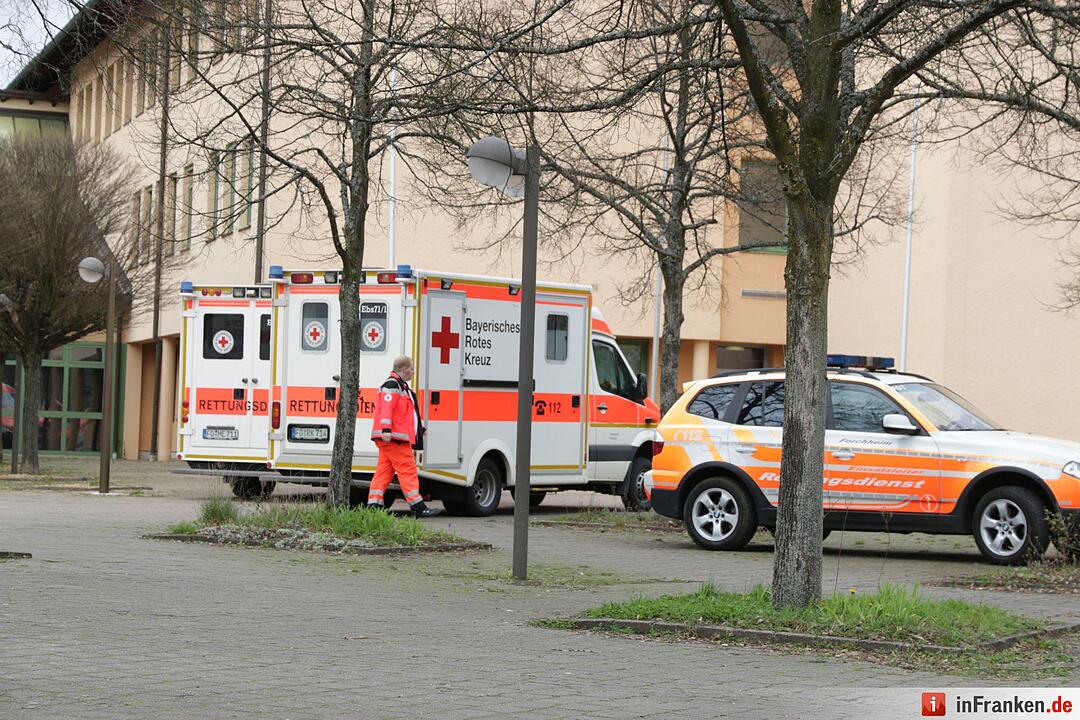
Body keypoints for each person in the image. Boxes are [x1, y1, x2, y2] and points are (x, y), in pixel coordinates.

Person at [366, 356, 441, 518]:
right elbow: (387, 409)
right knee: (408, 469)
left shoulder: (401, 387)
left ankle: (373, 505)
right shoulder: (392, 385)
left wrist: (419, 429)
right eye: (412, 369)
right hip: (394, 438)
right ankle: (418, 507)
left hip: (392, 437)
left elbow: (406, 414)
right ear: (404, 369)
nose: (413, 373)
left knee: (384, 471)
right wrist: (386, 429)